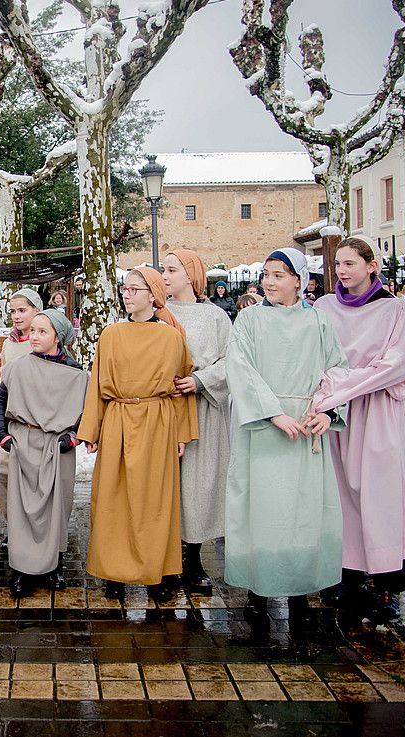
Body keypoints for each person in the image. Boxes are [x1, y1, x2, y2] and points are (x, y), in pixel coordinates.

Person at [312, 239, 405, 621]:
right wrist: (336, 387)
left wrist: (343, 383)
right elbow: (318, 357)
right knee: (342, 486)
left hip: (377, 408)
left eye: (350, 263)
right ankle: (347, 568)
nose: (342, 271)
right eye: (337, 265)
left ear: (371, 265)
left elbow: (397, 364)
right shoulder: (323, 307)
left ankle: (387, 572)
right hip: (339, 411)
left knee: (380, 485)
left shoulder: (393, 307)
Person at [224, 247, 347, 620]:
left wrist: (327, 410)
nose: (269, 282)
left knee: (302, 510)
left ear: (299, 280)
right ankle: (258, 589)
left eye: (279, 274)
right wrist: (273, 414)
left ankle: (300, 589)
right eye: (266, 274)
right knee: (262, 509)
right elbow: (240, 368)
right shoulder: (248, 321)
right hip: (264, 429)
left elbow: (337, 368)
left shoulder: (320, 323)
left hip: (306, 424)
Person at [79, 267, 198, 600]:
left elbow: (182, 386)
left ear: (153, 295)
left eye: (134, 289)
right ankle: (113, 573)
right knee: (113, 499)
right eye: (124, 288)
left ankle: (156, 573)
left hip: (158, 422)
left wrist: (182, 433)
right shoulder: (110, 335)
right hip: (118, 419)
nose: (126, 294)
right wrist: (93, 429)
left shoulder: (172, 337)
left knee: (155, 501)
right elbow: (96, 385)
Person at [0, 309, 87, 598]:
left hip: (58, 448)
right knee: (22, 510)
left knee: (56, 508)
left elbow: (86, 413)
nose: (33, 336)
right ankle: (21, 570)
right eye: (32, 330)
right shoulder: (17, 368)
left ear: (58, 336)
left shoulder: (76, 374)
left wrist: (72, 439)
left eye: (42, 332)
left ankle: (53, 566)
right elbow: (0, 402)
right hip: (24, 443)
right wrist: (4, 436)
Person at [162, 249, 231, 594]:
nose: (164, 275)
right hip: (166, 409)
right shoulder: (158, 314)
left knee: (199, 485)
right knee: (165, 484)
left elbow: (233, 362)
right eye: (163, 269)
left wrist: (200, 381)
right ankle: (165, 558)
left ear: (190, 274)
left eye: (171, 269)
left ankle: (193, 557)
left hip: (204, 408)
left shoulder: (216, 316)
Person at [0, 288, 42, 522]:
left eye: (22, 310)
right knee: (0, 473)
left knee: (31, 478)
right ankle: (11, 522)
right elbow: (4, 383)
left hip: (35, 420)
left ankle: (30, 526)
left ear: (37, 310)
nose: (16, 316)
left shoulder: (43, 342)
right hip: (9, 418)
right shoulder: (9, 344)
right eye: (13, 311)